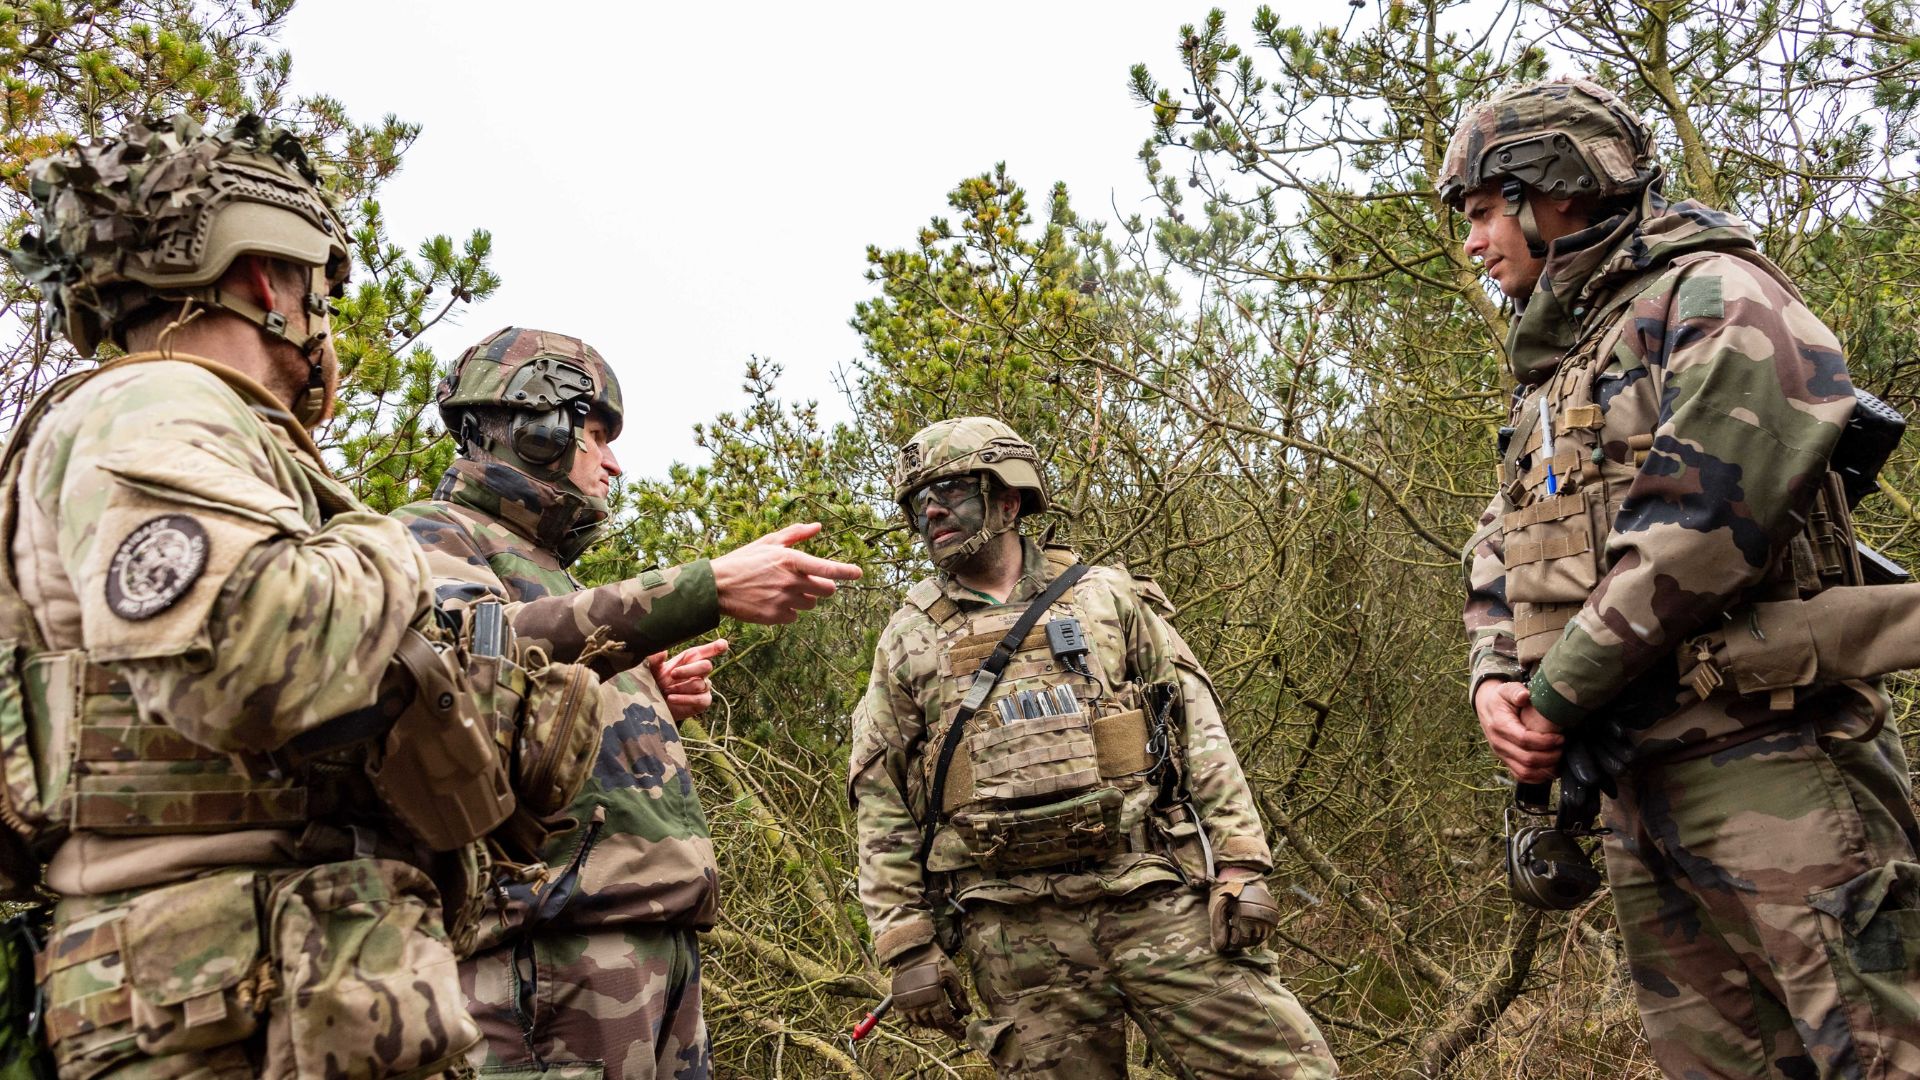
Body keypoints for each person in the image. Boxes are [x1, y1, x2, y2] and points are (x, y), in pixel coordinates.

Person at [0, 115, 505, 1077]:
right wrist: (389, 544)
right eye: (323, 288)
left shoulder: (174, 423)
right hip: (223, 1009)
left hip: (255, 993)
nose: (327, 319)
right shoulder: (155, 404)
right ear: (268, 281)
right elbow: (256, 655)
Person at [1449, 77, 1920, 1076]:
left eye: (1487, 209)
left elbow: (1697, 531)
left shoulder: (1712, 296)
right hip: (1633, 782)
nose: (1475, 240)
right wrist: (1496, 674)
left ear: (1557, 190)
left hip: (1771, 761)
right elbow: (1501, 537)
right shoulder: (1557, 371)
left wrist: (1555, 695)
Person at [392, 326, 864, 1080]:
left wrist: (647, 704)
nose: (614, 462)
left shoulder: (548, 572)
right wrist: (703, 588)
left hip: (650, 947)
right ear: (537, 429)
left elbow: (532, 711)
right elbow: (468, 666)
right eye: (596, 434)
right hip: (551, 960)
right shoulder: (426, 536)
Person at [846, 417, 1338, 1079]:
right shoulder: (906, 640)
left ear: (1009, 498)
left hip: (1154, 896)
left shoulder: (1105, 599)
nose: (932, 512)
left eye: (953, 492)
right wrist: (905, 946)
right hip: (1015, 934)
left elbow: (1199, 732)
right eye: (918, 504)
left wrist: (1242, 863)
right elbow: (880, 799)